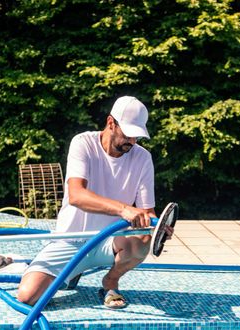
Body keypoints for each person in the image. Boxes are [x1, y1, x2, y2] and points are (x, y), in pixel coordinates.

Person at [17, 95, 167, 309]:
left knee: (142, 241)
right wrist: (124, 210)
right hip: (70, 241)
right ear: (110, 123)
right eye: (128, 134)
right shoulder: (83, 143)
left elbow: (146, 213)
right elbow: (77, 195)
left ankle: (111, 281)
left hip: (111, 243)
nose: (132, 142)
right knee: (28, 297)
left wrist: (159, 226)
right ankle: (73, 271)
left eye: (137, 136)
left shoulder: (142, 158)